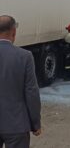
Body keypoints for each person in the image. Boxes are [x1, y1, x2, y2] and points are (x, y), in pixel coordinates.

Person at [0, 15, 41, 148]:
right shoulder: (24, 56)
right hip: (16, 124)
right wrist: (35, 123)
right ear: (14, 32)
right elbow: (31, 92)